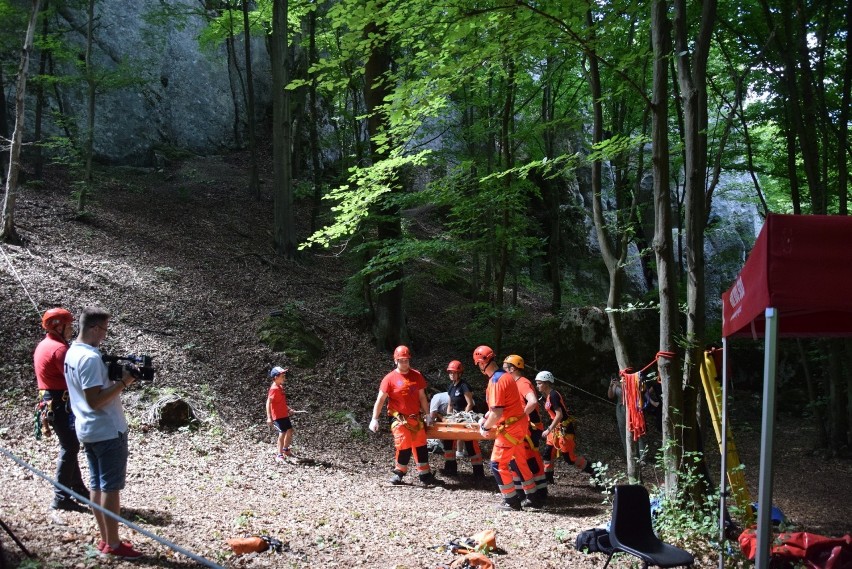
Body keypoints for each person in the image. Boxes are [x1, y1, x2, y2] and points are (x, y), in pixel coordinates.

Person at [64, 306, 142, 559]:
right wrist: (125, 382)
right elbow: (94, 400)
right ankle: (115, 544)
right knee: (110, 488)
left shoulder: (72, 353)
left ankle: (106, 539)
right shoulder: (89, 358)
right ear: (95, 328)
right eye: (105, 329)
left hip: (87, 429)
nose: (105, 335)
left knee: (97, 485)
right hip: (106, 429)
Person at [34, 307, 89, 513]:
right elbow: (74, 378)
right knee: (70, 446)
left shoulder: (46, 344)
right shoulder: (58, 350)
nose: (71, 329)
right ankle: (61, 496)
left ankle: (76, 488)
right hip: (59, 403)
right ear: (59, 326)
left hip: (53, 402)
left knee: (71, 444)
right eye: (69, 325)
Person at [474, 345, 542, 511]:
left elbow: (497, 412)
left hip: (509, 428)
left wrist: (485, 426)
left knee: (497, 464)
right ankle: (532, 496)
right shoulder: (506, 376)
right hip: (519, 425)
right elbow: (498, 407)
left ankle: (511, 501)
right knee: (519, 461)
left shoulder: (496, 381)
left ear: (481, 363)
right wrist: (486, 417)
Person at [369, 345, 442, 486]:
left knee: (421, 444)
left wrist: (427, 414)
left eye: (406, 360)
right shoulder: (389, 378)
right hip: (398, 417)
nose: (404, 363)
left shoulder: (417, 375)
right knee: (404, 443)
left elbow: (422, 397)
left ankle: (425, 474)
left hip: (415, 417)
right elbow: (381, 400)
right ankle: (399, 473)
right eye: (401, 360)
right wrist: (374, 418)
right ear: (396, 361)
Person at [535, 371, 598, 487]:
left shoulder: (553, 395)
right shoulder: (548, 396)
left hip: (564, 429)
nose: (537, 386)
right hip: (556, 429)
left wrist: (548, 429)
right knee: (548, 454)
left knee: (569, 458)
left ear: (546, 383)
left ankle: (595, 472)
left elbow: (559, 415)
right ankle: (548, 479)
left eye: (539, 383)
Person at [502, 355, 547, 498]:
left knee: (529, 459)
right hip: (522, 428)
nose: (503, 370)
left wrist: (520, 416)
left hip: (530, 428)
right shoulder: (514, 383)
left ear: (512, 368)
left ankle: (539, 492)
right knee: (516, 459)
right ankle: (521, 491)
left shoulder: (522, 383)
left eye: (505, 367)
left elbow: (532, 401)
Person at [436, 360, 484, 479]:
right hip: (455, 417)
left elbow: (470, 403)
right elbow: (450, 404)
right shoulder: (451, 387)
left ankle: (478, 473)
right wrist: (448, 418)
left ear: (459, 373)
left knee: (470, 443)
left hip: (466, 417)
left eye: (454, 372)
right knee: (448, 441)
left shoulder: (464, 385)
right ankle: (450, 469)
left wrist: (464, 416)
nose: (452, 374)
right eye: (450, 372)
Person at [608, 373, 649, 464]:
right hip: (621, 408)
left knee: (637, 430)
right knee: (623, 431)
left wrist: (620, 385)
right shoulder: (617, 382)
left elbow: (632, 392)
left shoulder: (634, 379)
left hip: (633, 408)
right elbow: (610, 396)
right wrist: (611, 386)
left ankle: (642, 458)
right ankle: (630, 456)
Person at [266, 366, 295, 461]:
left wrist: (289, 409)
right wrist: (269, 417)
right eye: (282, 376)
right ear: (275, 377)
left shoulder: (280, 387)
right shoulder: (274, 388)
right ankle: (279, 455)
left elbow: (282, 402)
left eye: (284, 376)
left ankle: (285, 449)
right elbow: (268, 403)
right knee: (282, 433)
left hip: (284, 414)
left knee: (290, 430)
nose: (284, 378)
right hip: (277, 416)